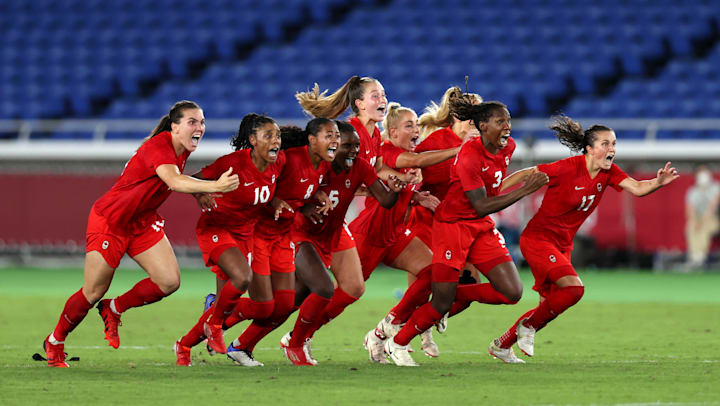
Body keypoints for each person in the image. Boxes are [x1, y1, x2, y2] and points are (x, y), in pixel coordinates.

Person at [42, 101, 240, 367]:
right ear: (175, 126)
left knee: (169, 281)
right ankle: (54, 341)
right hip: (111, 222)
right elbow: (172, 180)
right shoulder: (159, 146)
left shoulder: (181, 148)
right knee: (92, 292)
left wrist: (198, 191)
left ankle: (114, 308)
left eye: (202, 122)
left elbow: (172, 178)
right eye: (192, 122)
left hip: (141, 222)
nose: (199, 127)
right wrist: (215, 185)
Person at [489, 115, 679, 363]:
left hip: (562, 245)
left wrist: (658, 182)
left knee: (549, 304)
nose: (612, 149)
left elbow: (638, 188)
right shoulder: (568, 168)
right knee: (575, 289)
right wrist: (493, 192)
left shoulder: (609, 173)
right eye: (605, 144)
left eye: (613, 144)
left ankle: (502, 345)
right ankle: (528, 327)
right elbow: (528, 173)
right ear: (589, 149)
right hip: (538, 239)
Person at [382, 100, 549, 367]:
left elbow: (490, 192)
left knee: (511, 292)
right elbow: (480, 203)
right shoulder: (469, 154)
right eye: (500, 122)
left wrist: (520, 181)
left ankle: (455, 294)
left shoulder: (509, 147)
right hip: (453, 226)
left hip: (480, 226)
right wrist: (525, 189)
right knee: (439, 302)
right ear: (482, 126)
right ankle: (397, 342)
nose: (507, 127)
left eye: (508, 121)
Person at [279, 120, 401, 365]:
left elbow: (385, 200)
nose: (355, 150)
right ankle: (230, 324)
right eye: (348, 145)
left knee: (353, 287)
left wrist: (397, 187)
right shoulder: (317, 165)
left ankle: (299, 338)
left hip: (333, 231)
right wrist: (305, 205)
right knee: (288, 301)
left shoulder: (360, 165)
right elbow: (288, 190)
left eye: (357, 145)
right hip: (305, 233)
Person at [350, 102, 461, 362]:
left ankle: (385, 330)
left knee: (434, 272)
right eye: (409, 125)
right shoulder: (388, 151)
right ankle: (297, 336)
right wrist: (460, 148)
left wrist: (417, 197)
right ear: (392, 131)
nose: (416, 131)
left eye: (416, 126)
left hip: (397, 233)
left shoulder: (408, 161)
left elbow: (405, 185)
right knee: (343, 294)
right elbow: (417, 161)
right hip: (371, 234)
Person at [173, 113, 286, 366]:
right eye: (269, 135)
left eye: (277, 136)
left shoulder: (279, 162)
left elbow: (267, 191)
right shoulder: (232, 163)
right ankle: (214, 325)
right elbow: (195, 179)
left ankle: (183, 345)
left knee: (262, 308)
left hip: (245, 235)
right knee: (242, 278)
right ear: (253, 140)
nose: (276, 141)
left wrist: (276, 201)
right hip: (217, 227)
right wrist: (201, 195)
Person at [220, 119, 336, 365]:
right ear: (312, 141)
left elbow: (296, 191)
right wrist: (276, 203)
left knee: (285, 303)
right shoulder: (288, 160)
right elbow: (265, 185)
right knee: (271, 304)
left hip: (282, 235)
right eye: (330, 135)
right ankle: (215, 321)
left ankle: (238, 341)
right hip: (259, 234)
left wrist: (311, 200)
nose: (335, 141)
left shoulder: (322, 165)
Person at [296, 76, 421, 185]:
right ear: (360, 104)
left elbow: (378, 170)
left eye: (383, 95)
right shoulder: (350, 133)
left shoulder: (376, 133)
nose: (382, 100)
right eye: (375, 96)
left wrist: (404, 177)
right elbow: (338, 176)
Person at [685, 165, 719, 269]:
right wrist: (695, 221)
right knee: (691, 226)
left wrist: (702, 221)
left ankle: (700, 257)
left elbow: (712, 207)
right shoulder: (692, 191)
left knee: (705, 226)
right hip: (698, 218)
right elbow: (690, 210)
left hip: (714, 218)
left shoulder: (716, 187)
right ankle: (694, 257)